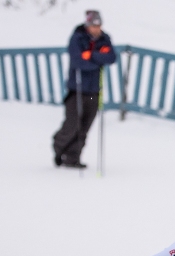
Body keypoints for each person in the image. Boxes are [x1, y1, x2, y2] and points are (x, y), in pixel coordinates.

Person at [52, 10, 116, 168]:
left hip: (94, 90)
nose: (97, 29)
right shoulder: (78, 38)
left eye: (99, 25)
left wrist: (91, 55)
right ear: (88, 25)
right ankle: (59, 147)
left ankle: (72, 158)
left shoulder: (104, 39)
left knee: (85, 126)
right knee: (72, 124)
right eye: (94, 25)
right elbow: (79, 61)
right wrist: (97, 58)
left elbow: (111, 57)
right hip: (77, 89)